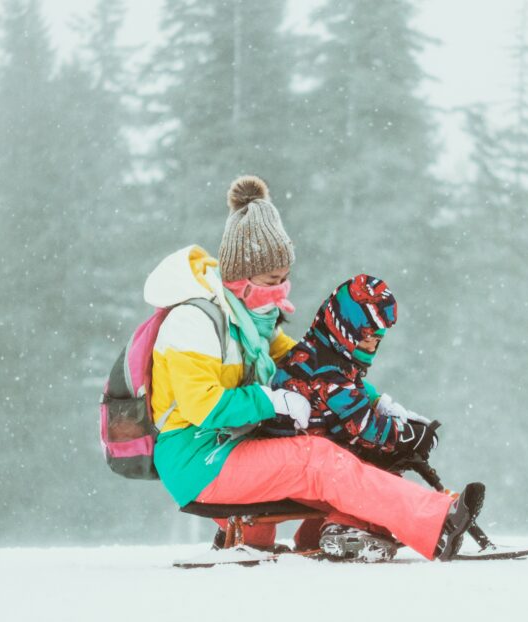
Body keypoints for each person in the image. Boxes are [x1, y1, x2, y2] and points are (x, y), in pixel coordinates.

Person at [143, 175, 484, 561]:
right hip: (197, 459)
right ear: (241, 278)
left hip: (233, 446)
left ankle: (334, 532)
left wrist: (378, 402)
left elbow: (312, 367)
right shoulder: (195, 322)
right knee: (316, 460)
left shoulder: (252, 322)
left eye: (286, 279)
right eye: (273, 280)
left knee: (341, 449)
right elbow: (200, 406)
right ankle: (437, 523)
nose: (282, 290)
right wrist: (273, 402)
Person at [264, 274, 444, 559]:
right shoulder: (326, 370)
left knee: (365, 460)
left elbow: (352, 409)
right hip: (308, 468)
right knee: (375, 475)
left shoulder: (322, 354)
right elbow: (364, 426)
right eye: (366, 337)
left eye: (378, 338)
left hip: (308, 462)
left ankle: (315, 534)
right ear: (344, 331)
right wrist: (407, 435)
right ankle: (346, 529)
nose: (372, 346)